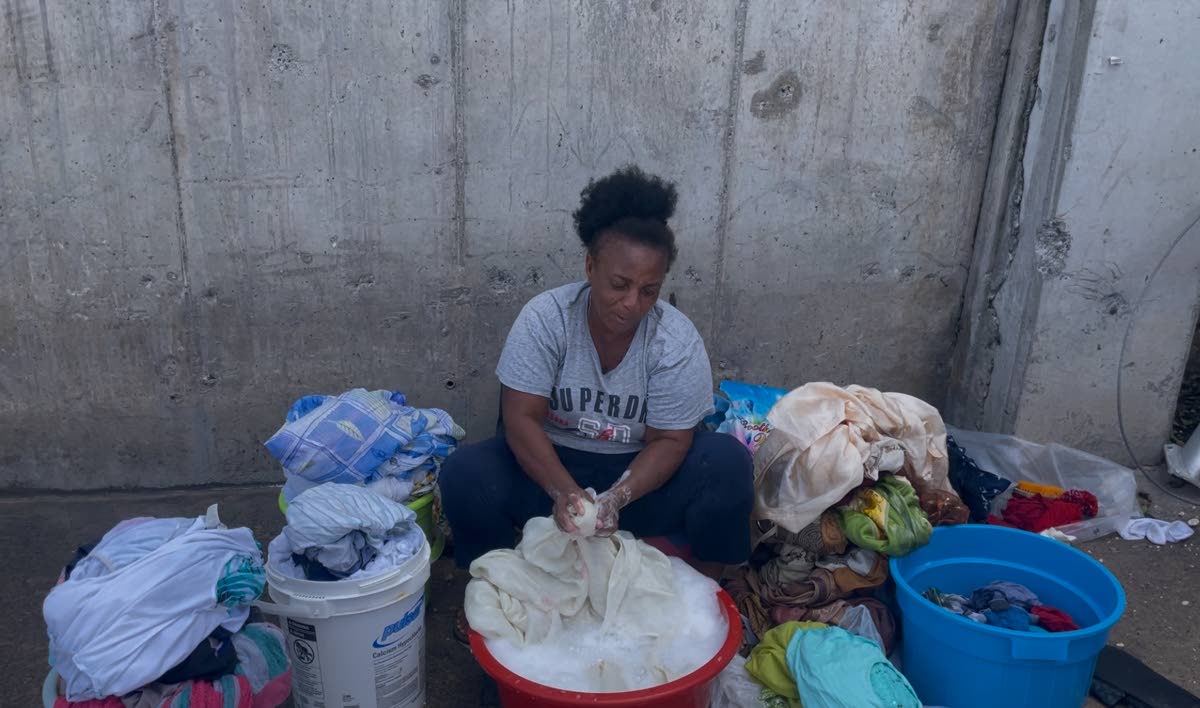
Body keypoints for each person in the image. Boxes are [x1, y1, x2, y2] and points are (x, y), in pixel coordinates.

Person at [440, 165, 754, 638]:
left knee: (727, 463)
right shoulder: (547, 319)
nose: (632, 303)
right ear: (590, 267)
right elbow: (520, 417)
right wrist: (564, 493)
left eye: (648, 290)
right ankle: (490, 589)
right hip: (549, 470)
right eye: (619, 284)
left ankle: (705, 598)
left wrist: (618, 496)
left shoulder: (674, 339)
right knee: (465, 473)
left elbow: (671, 439)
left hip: (640, 478)